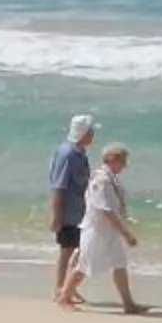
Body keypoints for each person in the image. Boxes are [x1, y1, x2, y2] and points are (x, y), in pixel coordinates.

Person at [74, 144, 148, 314]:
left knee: (120, 264)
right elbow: (105, 210)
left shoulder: (111, 178)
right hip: (97, 231)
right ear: (112, 160)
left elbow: (115, 207)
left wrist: (123, 223)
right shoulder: (101, 180)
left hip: (109, 231)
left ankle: (128, 303)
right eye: (123, 161)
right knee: (84, 266)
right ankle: (64, 294)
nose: (125, 166)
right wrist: (126, 233)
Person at [45, 113, 96, 303]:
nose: (93, 135)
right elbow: (58, 186)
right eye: (90, 131)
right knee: (67, 250)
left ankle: (68, 286)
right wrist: (57, 216)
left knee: (81, 249)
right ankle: (60, 288)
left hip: (81, 211)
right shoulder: (67, 154)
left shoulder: (80, 154)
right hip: (69, 212)